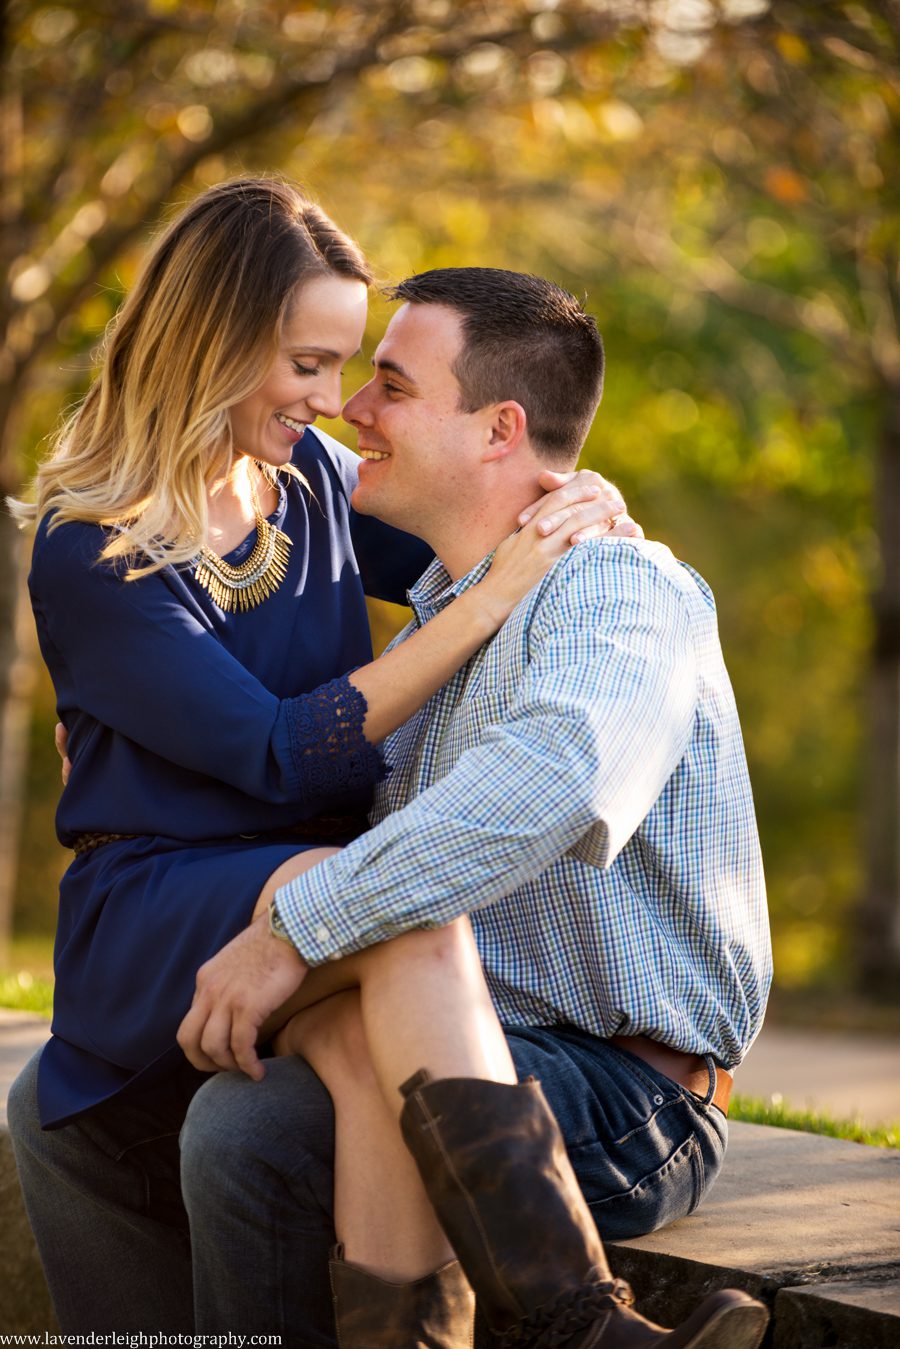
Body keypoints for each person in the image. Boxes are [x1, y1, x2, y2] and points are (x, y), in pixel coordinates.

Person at [6, 184, 632, 1331]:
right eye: (307, 363)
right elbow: (280, 753)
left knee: (362, 1065)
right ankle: (574, 1313)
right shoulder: (91, 544)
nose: (336, 400)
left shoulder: (311, 490)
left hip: (307, 888)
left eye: (348, 365)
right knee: (407, 909)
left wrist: (574, 504)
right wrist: (493, 600)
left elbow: (472, 511)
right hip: (159, 896)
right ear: (211, 347)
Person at [176, 268, 773, 1349]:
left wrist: (290, 933)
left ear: (501, 428)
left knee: (258, 1125)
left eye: (392, 385)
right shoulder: (432, 639)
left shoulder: (617, 588)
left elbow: (557, 776)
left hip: (630, 1095)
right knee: (212, 1105)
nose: (354, 410)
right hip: (475, 1040)